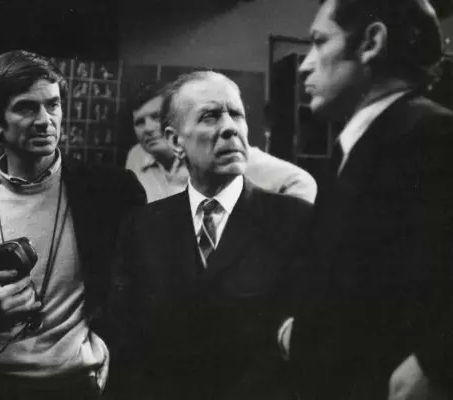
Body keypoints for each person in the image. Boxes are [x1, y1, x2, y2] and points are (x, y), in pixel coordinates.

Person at [0, 50, 145, 400]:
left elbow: (139, 294)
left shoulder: (112, 192)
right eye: (27, 108)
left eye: (53, 105)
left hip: (76, 384)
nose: (45, 120)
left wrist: (108, 350)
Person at [278, 1, 453, 399]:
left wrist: (437, 362)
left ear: (371, 42)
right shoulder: (359, 144)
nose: (305, 66)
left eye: (319, 41)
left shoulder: (434, 135)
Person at [109, 71, 311, 400]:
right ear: (176, 141)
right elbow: (126, 338)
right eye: (210, 116)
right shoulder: (142, 227)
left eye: (237, 114)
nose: (230, 127)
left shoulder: (295, 220)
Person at [125, 82, 318, 203]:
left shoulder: (218, 151)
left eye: (155, 117)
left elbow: (300, 182)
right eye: (139, 122)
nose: (147, 128)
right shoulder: (136, 157)